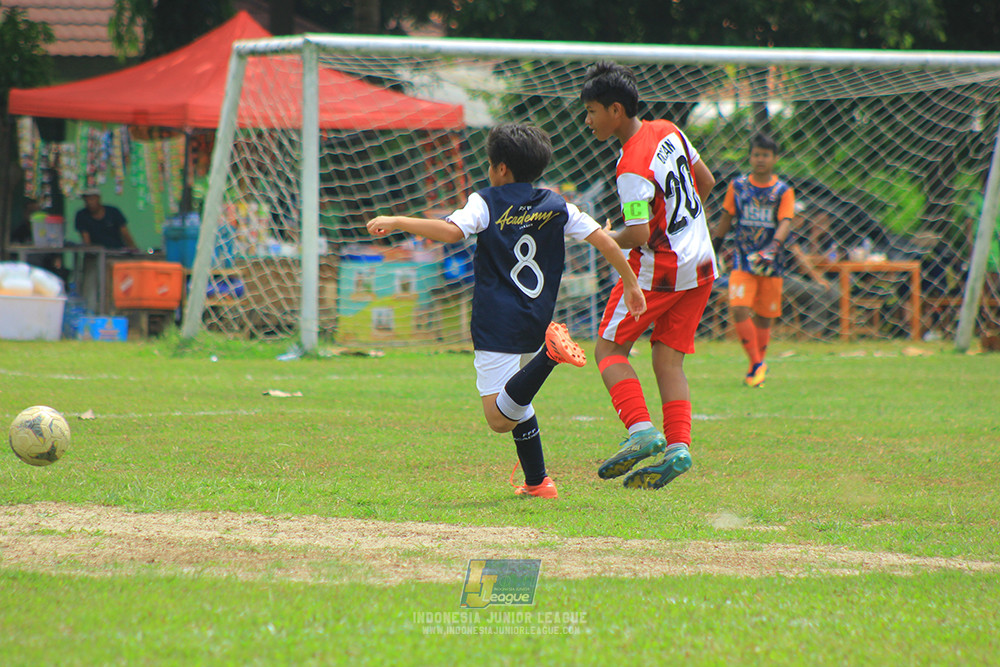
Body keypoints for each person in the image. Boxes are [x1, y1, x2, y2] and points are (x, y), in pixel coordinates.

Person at [367, 123, 646, 498]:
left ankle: (550, 357)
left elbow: (451, 232)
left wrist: (398, 221)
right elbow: (606, 242)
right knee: (515, 399)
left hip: (497, 320)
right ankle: (538, 482)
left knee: (498, 418)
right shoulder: (558, 205)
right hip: (537, 317)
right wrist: (631, 283)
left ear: (500, 168)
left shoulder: (485, 201)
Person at [580, 62, 717, 491]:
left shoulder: (630, 166)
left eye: (592, 111)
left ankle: (640, 430)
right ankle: (678, 447)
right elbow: (706, 181)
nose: (588, 121)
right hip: (702, 263)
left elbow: (638, 234)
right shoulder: (669, 130)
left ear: (615, 110)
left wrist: (605, 236)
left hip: (662, 269)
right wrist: (682, 227)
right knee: (667, 359)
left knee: (608, 349)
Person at [711, 133, 795, 387]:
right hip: (743, 261)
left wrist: (773, 247)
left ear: (774, 158)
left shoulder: (783, 191)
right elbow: (726, 217)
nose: (760, 159)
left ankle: (755, 367)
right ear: (750, 157)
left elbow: (785, 222)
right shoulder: (737, 186)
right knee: (738, 307)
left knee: (764, 316)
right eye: (756, 154)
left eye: (765, 155)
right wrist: (715, 245)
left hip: (771, 263)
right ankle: (758, 363)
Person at [74, 188, 138, 313]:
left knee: (117, 287)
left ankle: (116, 313)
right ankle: (90, 314)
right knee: (90, 287)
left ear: (98, 198)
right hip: (94, 257)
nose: (89, 202)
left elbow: (125, 233)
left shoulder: (113, 212)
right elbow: (86, 240)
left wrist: (134, 251)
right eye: (86, 200)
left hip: (117, 256)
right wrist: (95, 252)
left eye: (92, 198)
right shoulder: (82, 215)